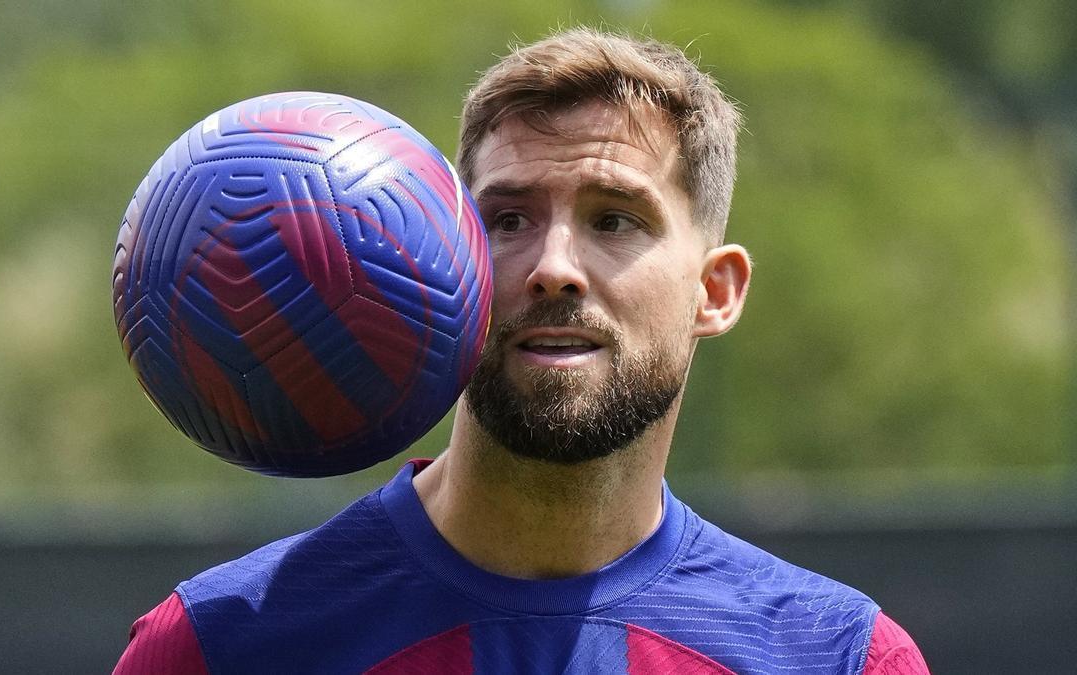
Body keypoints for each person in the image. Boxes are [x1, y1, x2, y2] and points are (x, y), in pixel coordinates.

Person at [114, 27, 929, 674]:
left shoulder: (838, 657)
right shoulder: (222, 648)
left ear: (714, 291)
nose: (552, 269)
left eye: (615, 219)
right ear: (450, 253)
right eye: (508, 220)